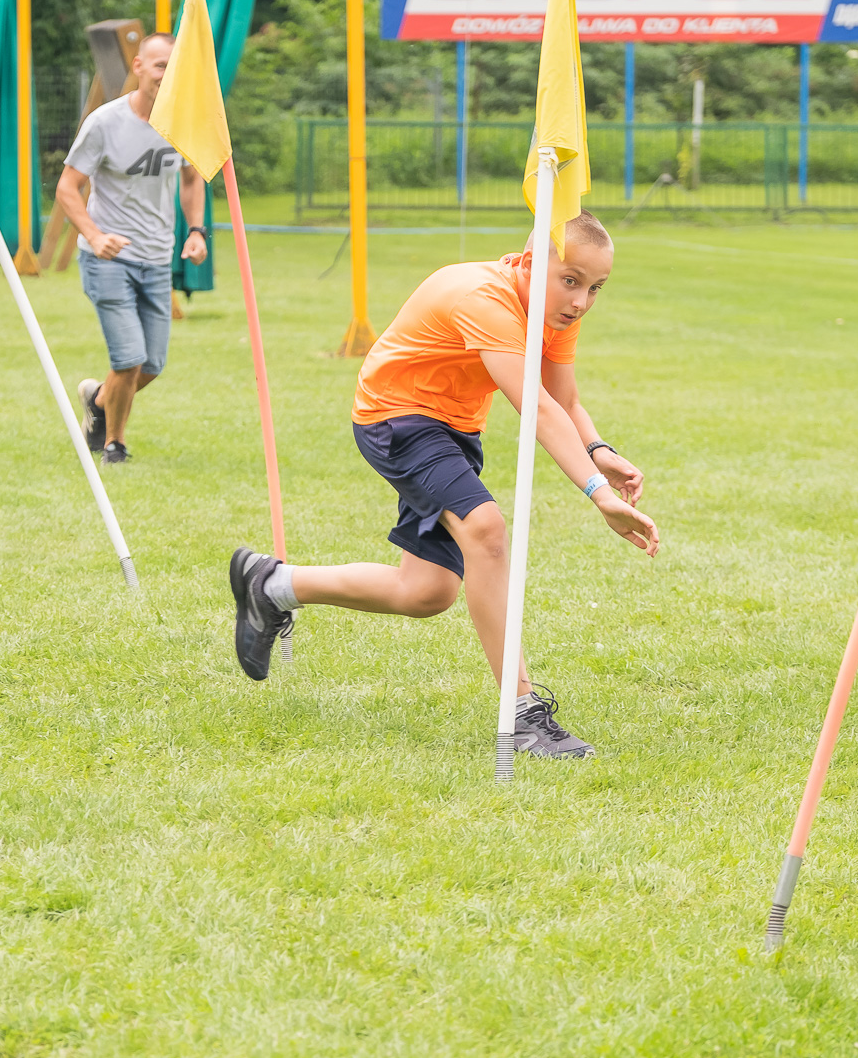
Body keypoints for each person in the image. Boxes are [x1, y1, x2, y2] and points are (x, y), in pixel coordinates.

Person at [228, 210, 659, 758]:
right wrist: (597, 493)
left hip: (454, 429)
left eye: (595, 288)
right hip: (397, 417)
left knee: (427, 593)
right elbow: (537, 409)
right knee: (486, 529)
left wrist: (600, 451)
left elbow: (565, 401)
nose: (580, 302)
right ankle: (523, 714)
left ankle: (272, 585)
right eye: (570, 281)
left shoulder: (554, 314)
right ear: (530, 262)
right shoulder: (484, 297)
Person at [56, 32, 208, 465]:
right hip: (108, 258)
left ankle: (98, 399)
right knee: (128, 359)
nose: (166, 75)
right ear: (139, 67)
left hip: (157, 258)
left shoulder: (182, 122)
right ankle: (114, 445)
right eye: (159, 65)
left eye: (173, 67)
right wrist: (94, 234)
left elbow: (192, 177)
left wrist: (196, 231)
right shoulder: (106, 122)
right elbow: (68, 188)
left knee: (151, 365)